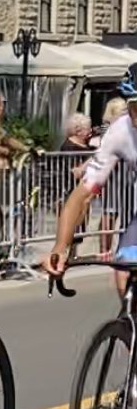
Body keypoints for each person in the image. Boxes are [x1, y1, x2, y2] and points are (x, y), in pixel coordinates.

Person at [44, 63, 137, 300]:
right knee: (123, 272)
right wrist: (61, 248)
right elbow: (82, 194)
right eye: (134, 106)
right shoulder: (121, 132)